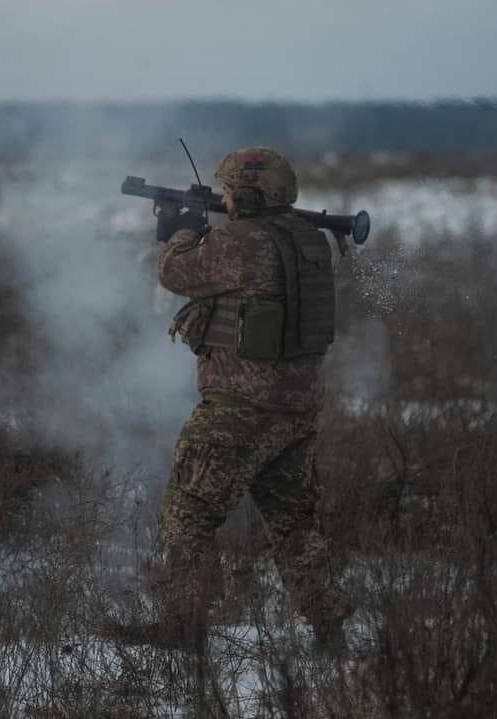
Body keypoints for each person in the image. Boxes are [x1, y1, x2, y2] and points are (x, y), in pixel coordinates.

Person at [146, 147, 352, 653]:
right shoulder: (311, 243)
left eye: (232, 189)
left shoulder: (239, 243)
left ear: (251, 193)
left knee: (187, 514)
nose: (227, 197)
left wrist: (180, 228)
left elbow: (175, 273)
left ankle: (183, 629)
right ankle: (331, 630)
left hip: (239, 410)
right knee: (293, 525)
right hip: (295, 412)